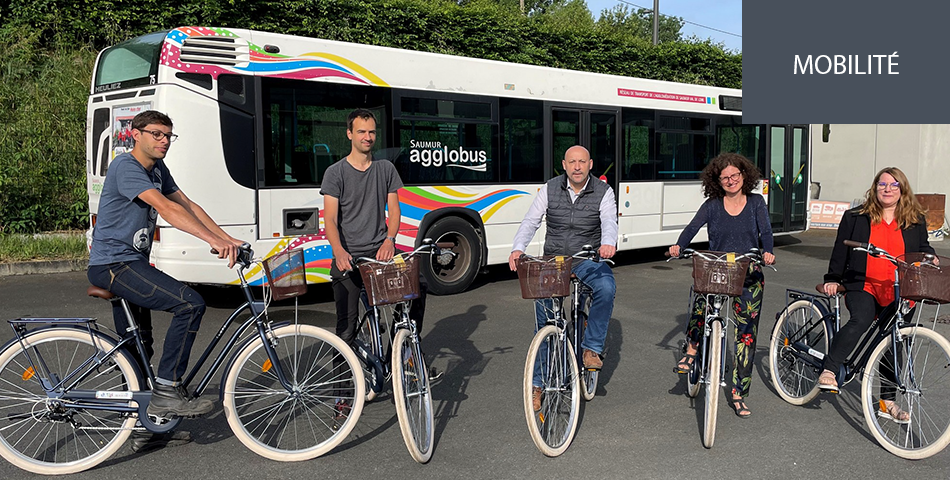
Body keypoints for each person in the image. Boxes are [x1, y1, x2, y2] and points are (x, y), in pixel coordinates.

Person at [87, 110, 245, 451]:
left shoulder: (157, 169)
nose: (163, 141)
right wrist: (210, 241)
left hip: (129, 263)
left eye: (168, 136)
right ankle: (167, 391)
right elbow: (165, 208)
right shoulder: (125, 167)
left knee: (138, 348)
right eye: (156, 134)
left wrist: (226, 239)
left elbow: (186, 205)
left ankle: (146, 425)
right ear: (134, 133)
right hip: (114, 264)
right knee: (190, 303)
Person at [322, 109, 436, 410]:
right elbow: (330, 221)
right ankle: (342, 393)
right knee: (345, 330)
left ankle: (406, 350)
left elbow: (395, 212)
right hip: (348, 256)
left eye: (371, 132)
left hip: (380, 250)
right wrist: (339, 251)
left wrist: (389, 239)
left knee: (418, 285)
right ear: (350, 134)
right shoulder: (335, 173)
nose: (367, 137)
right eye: (361, 132)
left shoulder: (385, 168)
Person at [818, 167, 933, 423]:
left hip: (900, 290)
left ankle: (886, 401)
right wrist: (833, 279)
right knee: (861, 319)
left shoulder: (914, 220)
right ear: (875, 187)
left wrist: (930, 256)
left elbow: (923, 247)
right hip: (864, 284)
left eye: (894, 185)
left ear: (902, 190)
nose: (888, 189)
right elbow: (840, 250)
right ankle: (830, 368)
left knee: (896, 342)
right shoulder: (856, 217)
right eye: (883, 184)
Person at [509, 145, 618, 411]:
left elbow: (609, 221)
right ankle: (538, 384)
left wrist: (608, 243)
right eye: (572, 162)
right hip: (554, 261)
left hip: (586, 259)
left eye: (582, 161)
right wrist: (517, 248)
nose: (577, 167)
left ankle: (590, 348)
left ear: (590, 164)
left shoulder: (604, 191)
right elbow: (531, 221)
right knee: (543, 325)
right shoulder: (549, 188)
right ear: (564, 164)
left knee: (606, 286)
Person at [669, 152, 775, 418]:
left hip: (748, 268)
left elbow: (766, 232)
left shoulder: (756, 203)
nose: (730, 181)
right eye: (724, 177)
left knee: (746, 334)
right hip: (717, 268)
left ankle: (738, 392)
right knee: (701, 305)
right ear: (717, 180)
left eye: (735, 175)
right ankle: (693, 347)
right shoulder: (712, 205)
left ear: (744, 175)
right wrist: (679, 246)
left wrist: (768, 251)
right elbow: (692, 227)